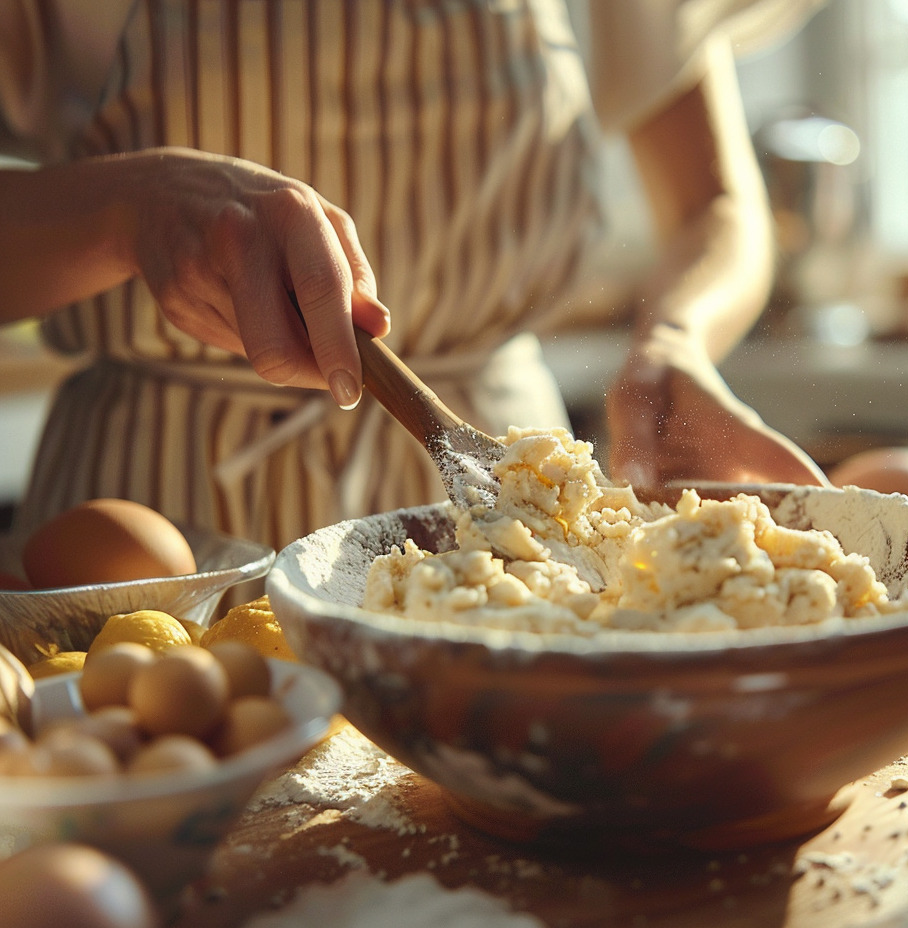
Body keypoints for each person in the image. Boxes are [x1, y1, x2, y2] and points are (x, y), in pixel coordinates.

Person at [0, 0, 827, 562]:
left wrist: (674, 339)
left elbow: (715, 203)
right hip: (157, 519)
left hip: (505, 524)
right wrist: (124, 206)